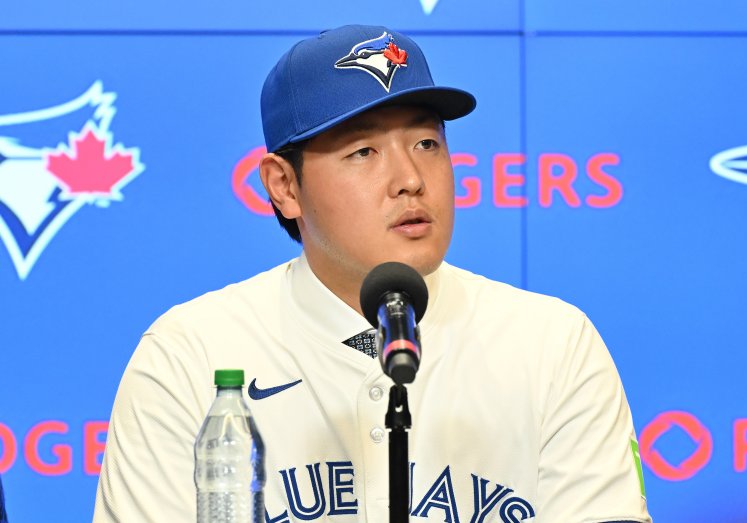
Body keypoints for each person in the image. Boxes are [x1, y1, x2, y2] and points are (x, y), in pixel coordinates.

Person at [94, 24, 652, 523]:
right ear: (284, 186)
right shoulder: (192, 353)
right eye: (363, 151)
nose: (410, 179)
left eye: (427, 143)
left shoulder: (551, 343)